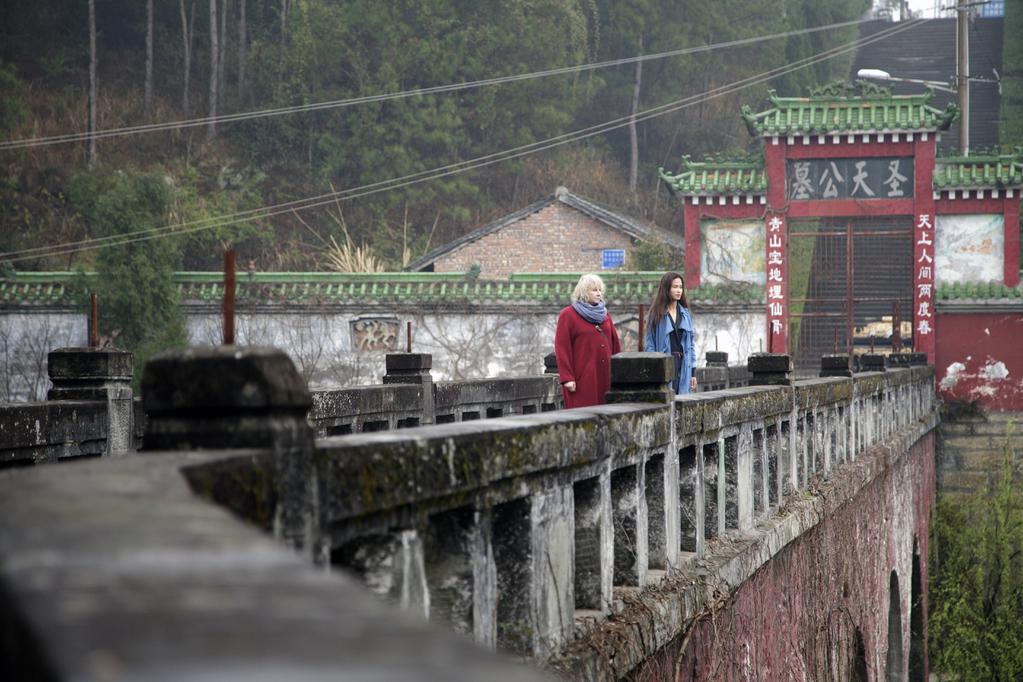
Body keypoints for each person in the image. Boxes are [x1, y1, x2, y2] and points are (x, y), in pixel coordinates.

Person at [554, 273, 622, 408]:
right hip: (582, 376)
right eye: (594, 290)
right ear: (584, 292)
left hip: (606, 375)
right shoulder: (568, 315)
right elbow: (562, 348)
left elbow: (615, 345)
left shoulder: (605, 314)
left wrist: (619, 372)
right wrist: (567, 378)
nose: (598, 293)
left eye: (600, 290)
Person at [644, 271, 697, 394]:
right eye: (675, 287)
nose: (679, 290)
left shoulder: (685, 314)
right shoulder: (656, 314)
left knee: (682, 402)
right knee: (666, 401)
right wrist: (654, 367)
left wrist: (693, 372)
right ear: (666, 288)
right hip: (665, 363)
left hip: (683, 365)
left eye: (680, 287)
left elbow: (691, 344)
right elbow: (649, 344)